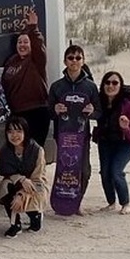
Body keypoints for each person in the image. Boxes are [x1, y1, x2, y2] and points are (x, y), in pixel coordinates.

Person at [48, 45, 101, 213]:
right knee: (64, 169)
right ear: (65, 61)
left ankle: (76, 202)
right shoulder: (57, 86)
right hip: (62, 135)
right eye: (71, 58)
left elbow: (100, 112)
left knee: (84, 171)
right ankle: (62, 200)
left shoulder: (90, 87)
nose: (74, 61)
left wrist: (92, 112)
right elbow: (47, 112)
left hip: (82, 136)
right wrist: (55, 110)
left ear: (83, 61)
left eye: (78, 58)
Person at [94, 71, 130, 215]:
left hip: (126, 142)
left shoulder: (128, 105)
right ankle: (111, 202)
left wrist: (125, 128)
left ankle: (125, 203)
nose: (111, 86)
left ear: (120, 85)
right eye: (107, 82)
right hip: (106, 141)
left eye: (115, 83)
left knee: (116, 171)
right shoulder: (100, 102)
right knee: (105, 172)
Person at [1, 11, 51, 146]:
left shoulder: (36, 60)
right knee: (17, 149)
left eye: (26, 42)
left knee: (34, 150)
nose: (22, 45)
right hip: (17, 113)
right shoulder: (11, 62)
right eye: (19, 42)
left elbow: (38, 45)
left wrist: (33, 28)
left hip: (37, 111)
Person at [0, 117, 48, 237]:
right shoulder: (5, 150)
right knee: (5, 186)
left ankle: (35, 215)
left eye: (18, 131)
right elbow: (4, 171)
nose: (14, 135)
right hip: (17, 182)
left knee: (35, 192)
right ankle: (15, 224)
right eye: (10, 132)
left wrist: (21, 195)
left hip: (35, 183)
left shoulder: (37, 150)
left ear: (25, 132)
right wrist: (20, 179)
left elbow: (38, 177)